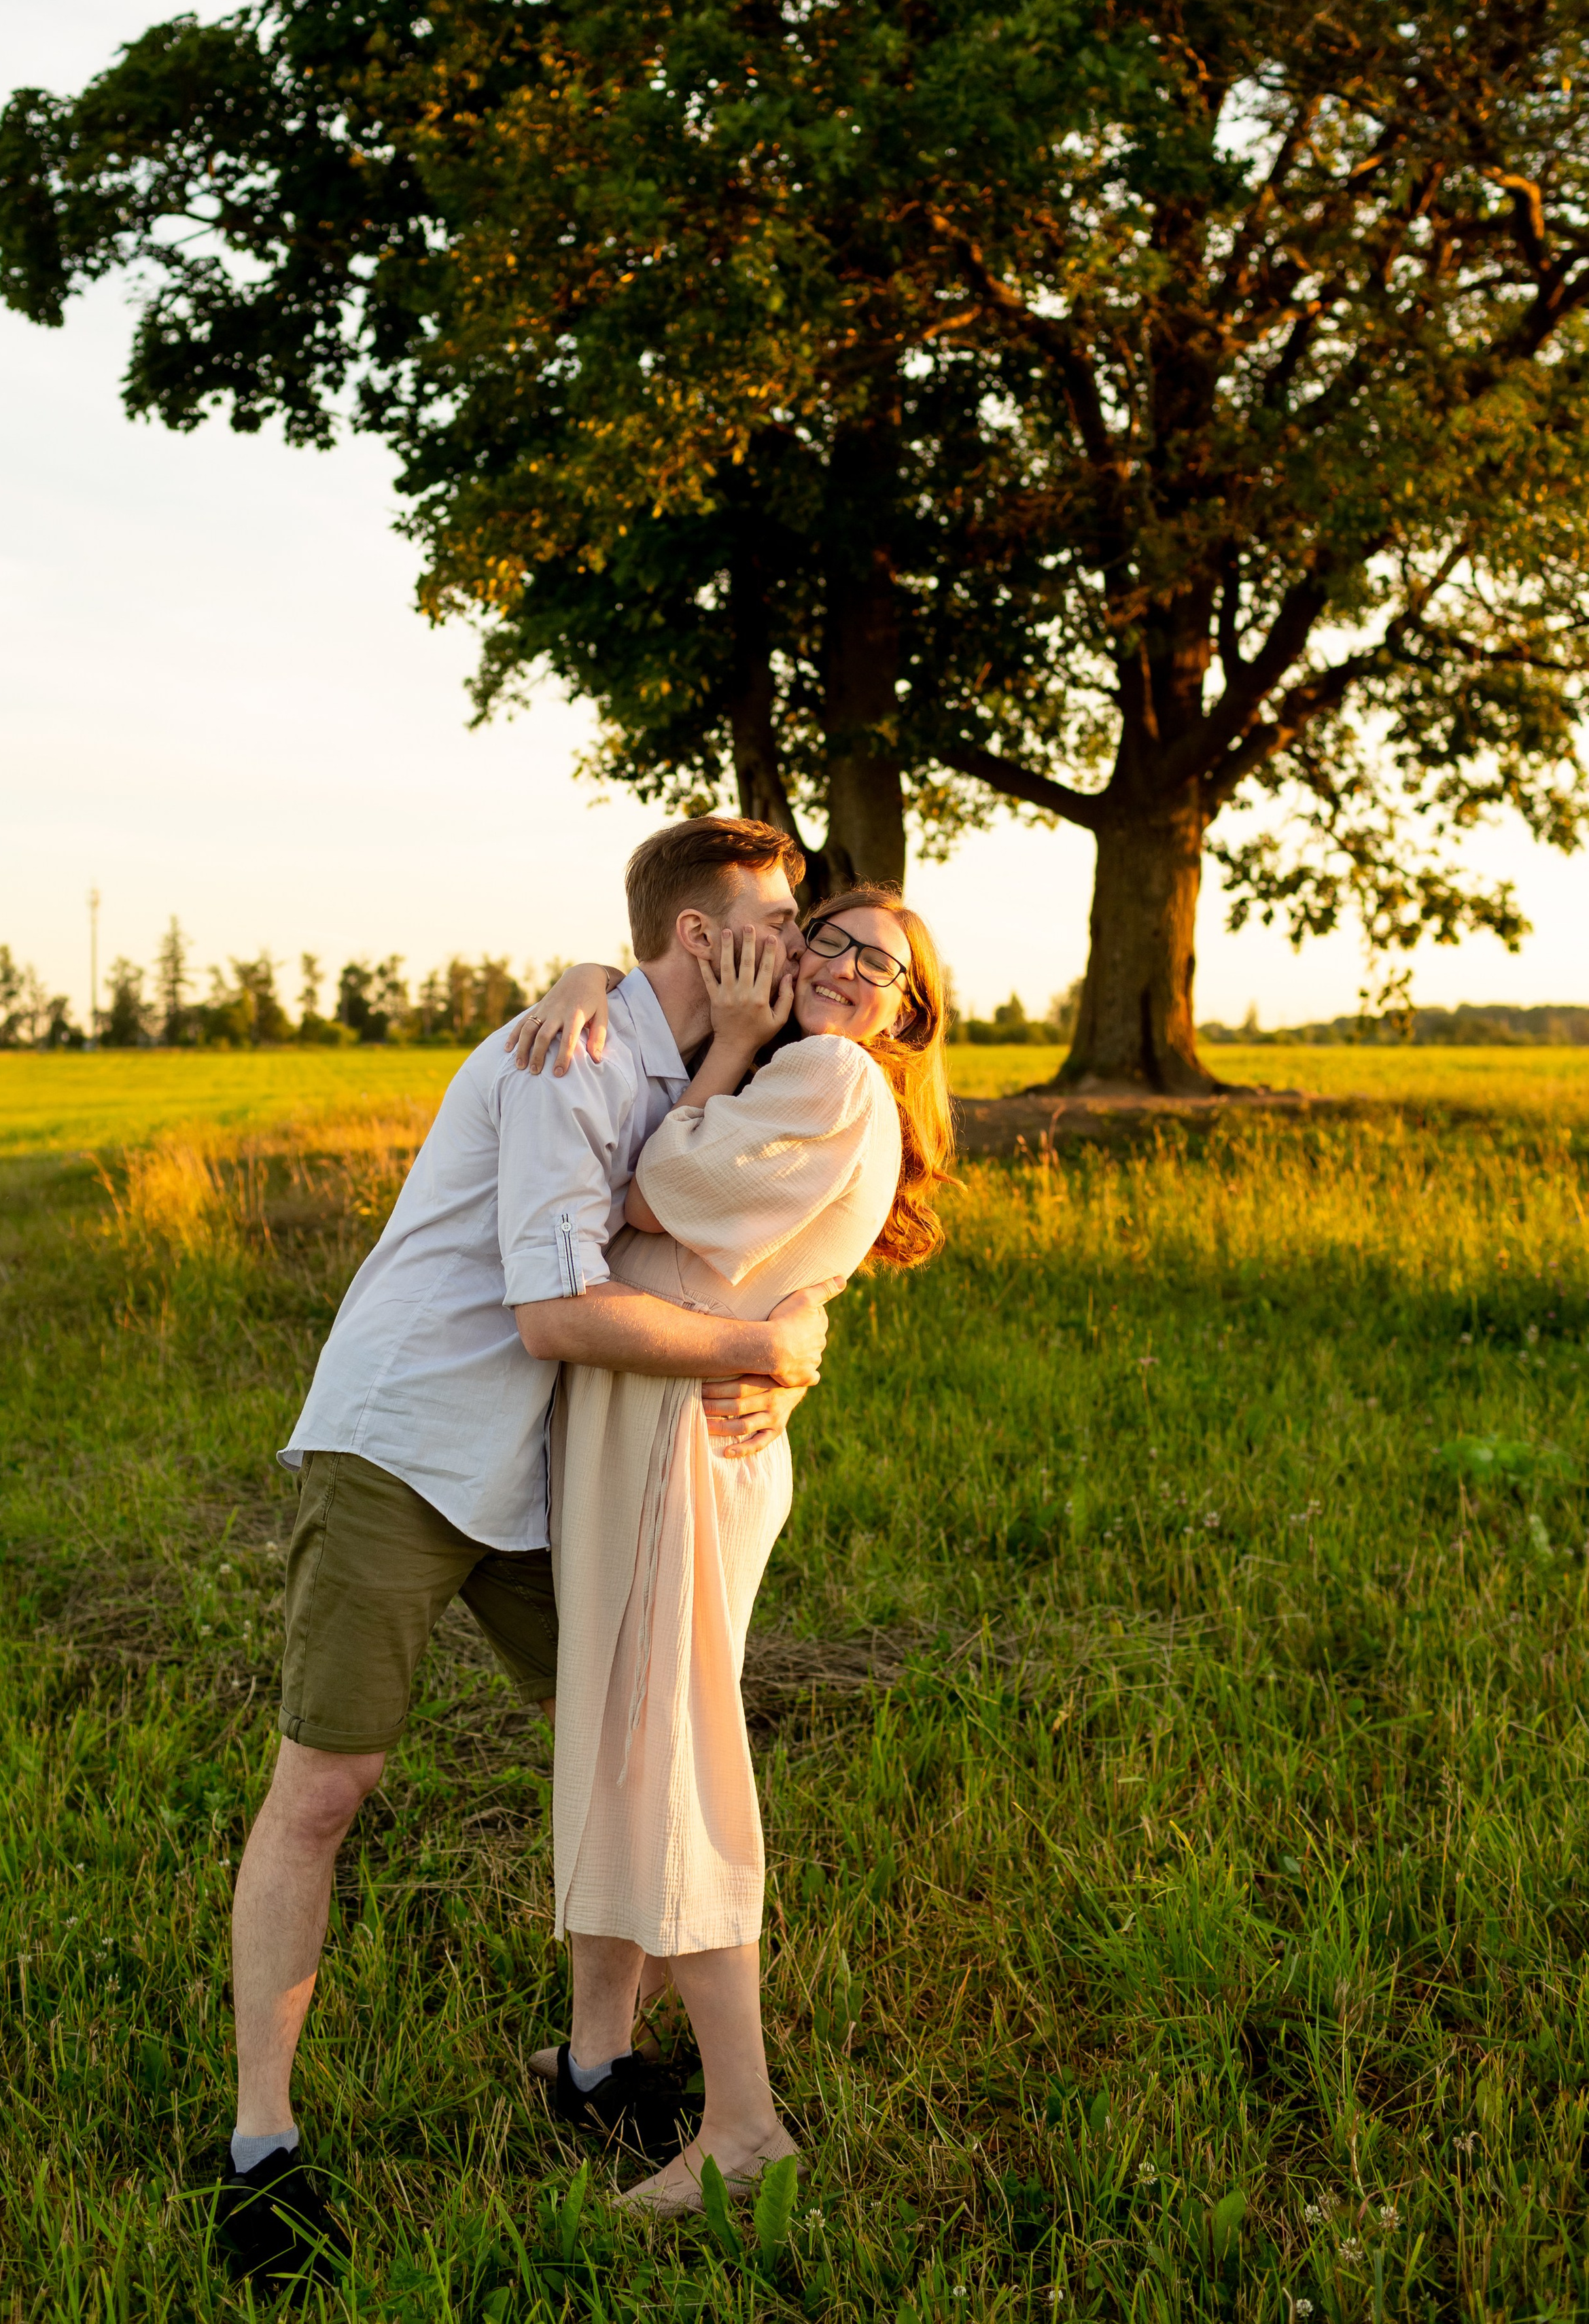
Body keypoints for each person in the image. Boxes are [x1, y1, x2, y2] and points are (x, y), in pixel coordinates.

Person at [215, 817, 833, 2293]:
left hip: (551, 1468)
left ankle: (595, 2065)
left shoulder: (676, 1048)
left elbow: (682, 1198)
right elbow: (557, 1316)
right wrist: (761, 1349)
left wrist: (711, 1041)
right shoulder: (561, 1057)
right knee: (326, 1785)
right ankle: (260, 2151)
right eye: (776, 914)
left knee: (625, 1748)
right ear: (701, 936)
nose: (801, 937)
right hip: (409, 1445)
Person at [536, 881, 952, 2211]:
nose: (840, 970)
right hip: (658, 1430)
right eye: (827, 939)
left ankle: (743, 2127)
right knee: (628, 1740)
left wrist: (716, 1043)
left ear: (909, 1009)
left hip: (677, 1442)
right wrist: (590, 977)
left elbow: (650, 1191)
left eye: (875, 964)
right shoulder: (805, 1076)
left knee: (674, 1762)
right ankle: (599, 2051)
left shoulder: (831, 1073)